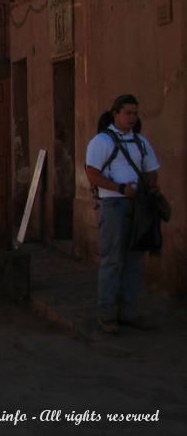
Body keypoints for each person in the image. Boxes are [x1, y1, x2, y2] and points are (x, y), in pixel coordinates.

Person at [85, 94, 160, 334]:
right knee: (113, 261)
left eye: (135, 113)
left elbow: (151, 170)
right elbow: (93, 174)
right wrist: (119, 189)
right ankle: (107, 313)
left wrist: (150, 187)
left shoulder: (141, 142)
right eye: (127, 113)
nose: (132, 117)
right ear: (115, 114)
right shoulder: (101, 142)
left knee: (134, 262)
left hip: (138, 207)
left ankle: (129, 312)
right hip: (114, 206)